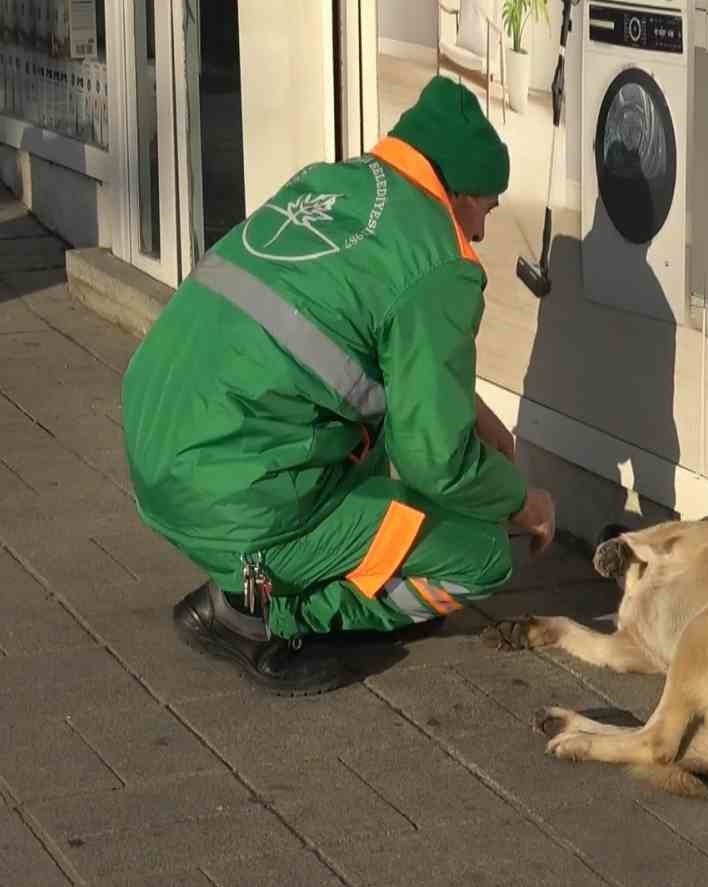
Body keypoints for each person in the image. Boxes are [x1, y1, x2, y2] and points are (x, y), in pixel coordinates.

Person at [120, 76, 558, 696]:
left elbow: (363, 351)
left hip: (161, 449)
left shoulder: (333, 183)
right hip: (236, 499)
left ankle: (257, 576)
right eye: (486, 208)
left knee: (383, 446)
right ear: (457, 195)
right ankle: (264, 615)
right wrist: (520, 500)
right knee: (482, 555)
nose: (482, 233)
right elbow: (436, 461)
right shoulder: (439, 262)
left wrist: (477, 414)